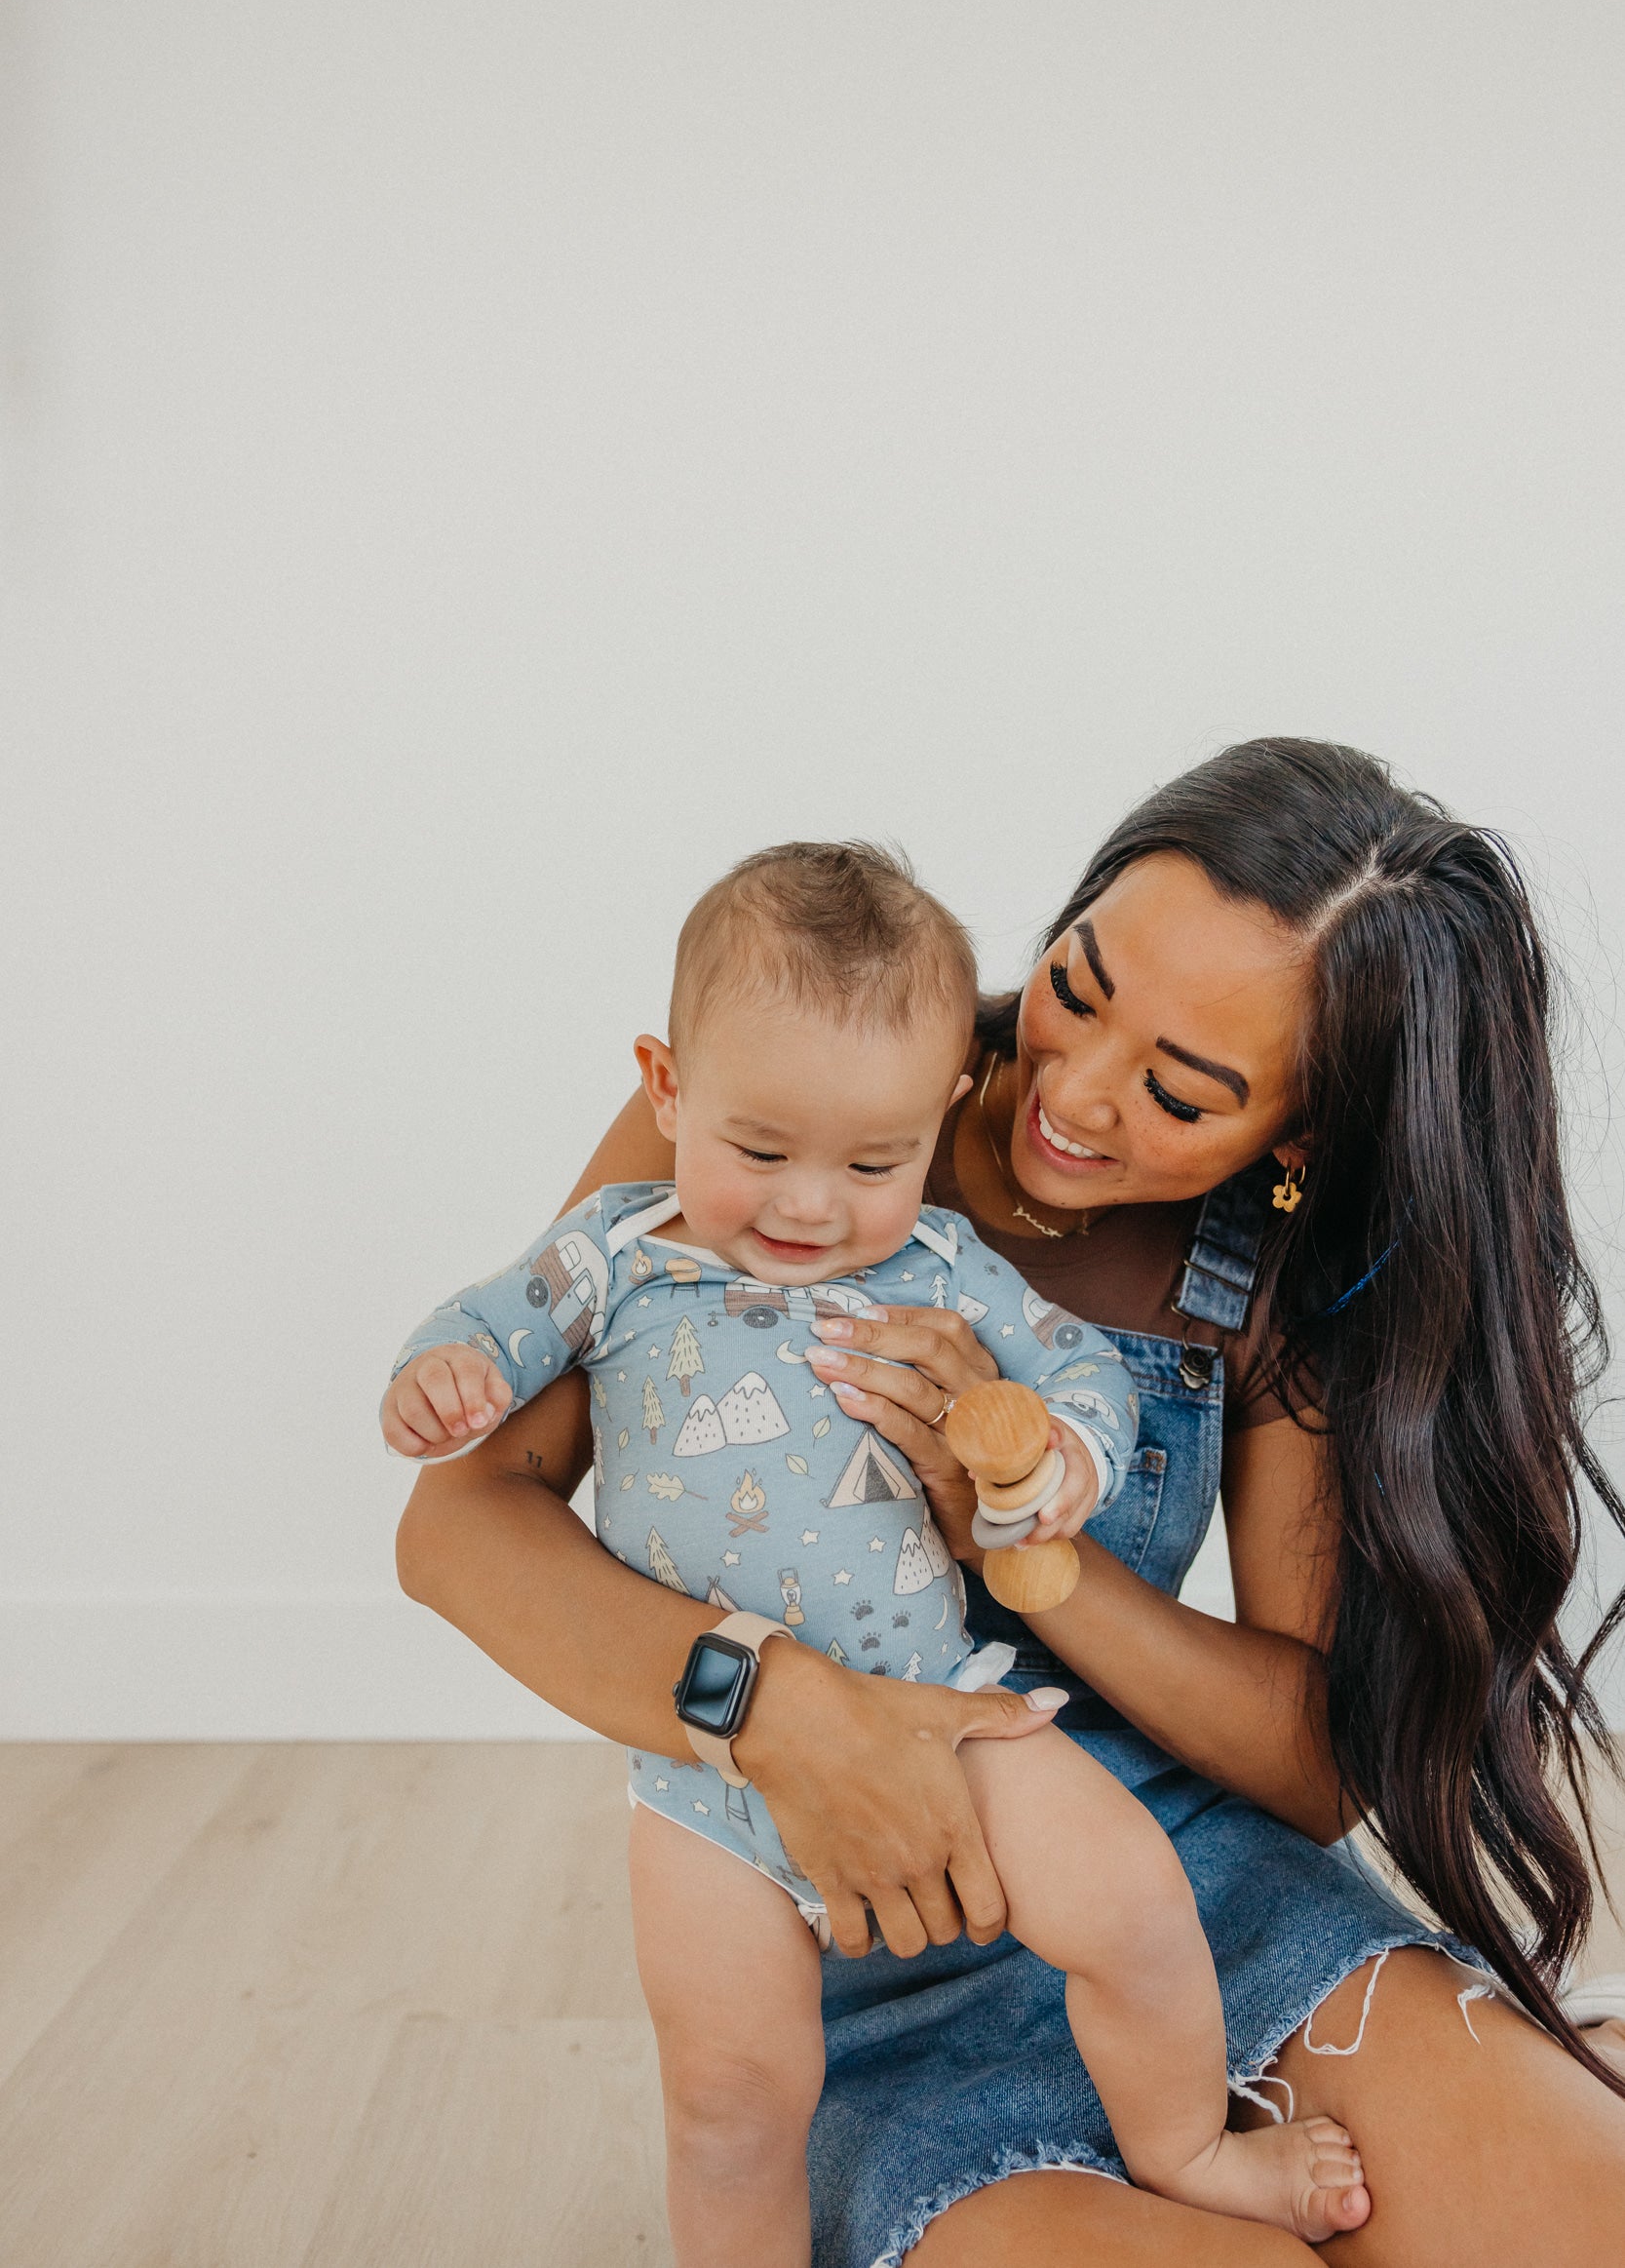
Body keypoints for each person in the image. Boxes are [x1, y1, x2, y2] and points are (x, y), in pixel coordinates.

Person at [395, 740, 1625, 2266]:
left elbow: (1310, 1768)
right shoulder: (785, 1089)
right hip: (855, 1926)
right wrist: (778, 1713)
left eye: (1179, 1090)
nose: (1074, 1093)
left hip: (1186, 1895)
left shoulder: (1279, 1268)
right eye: (1078, 983)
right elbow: (459, 1527)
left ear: (1295, 1142)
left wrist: (1026, 1545)